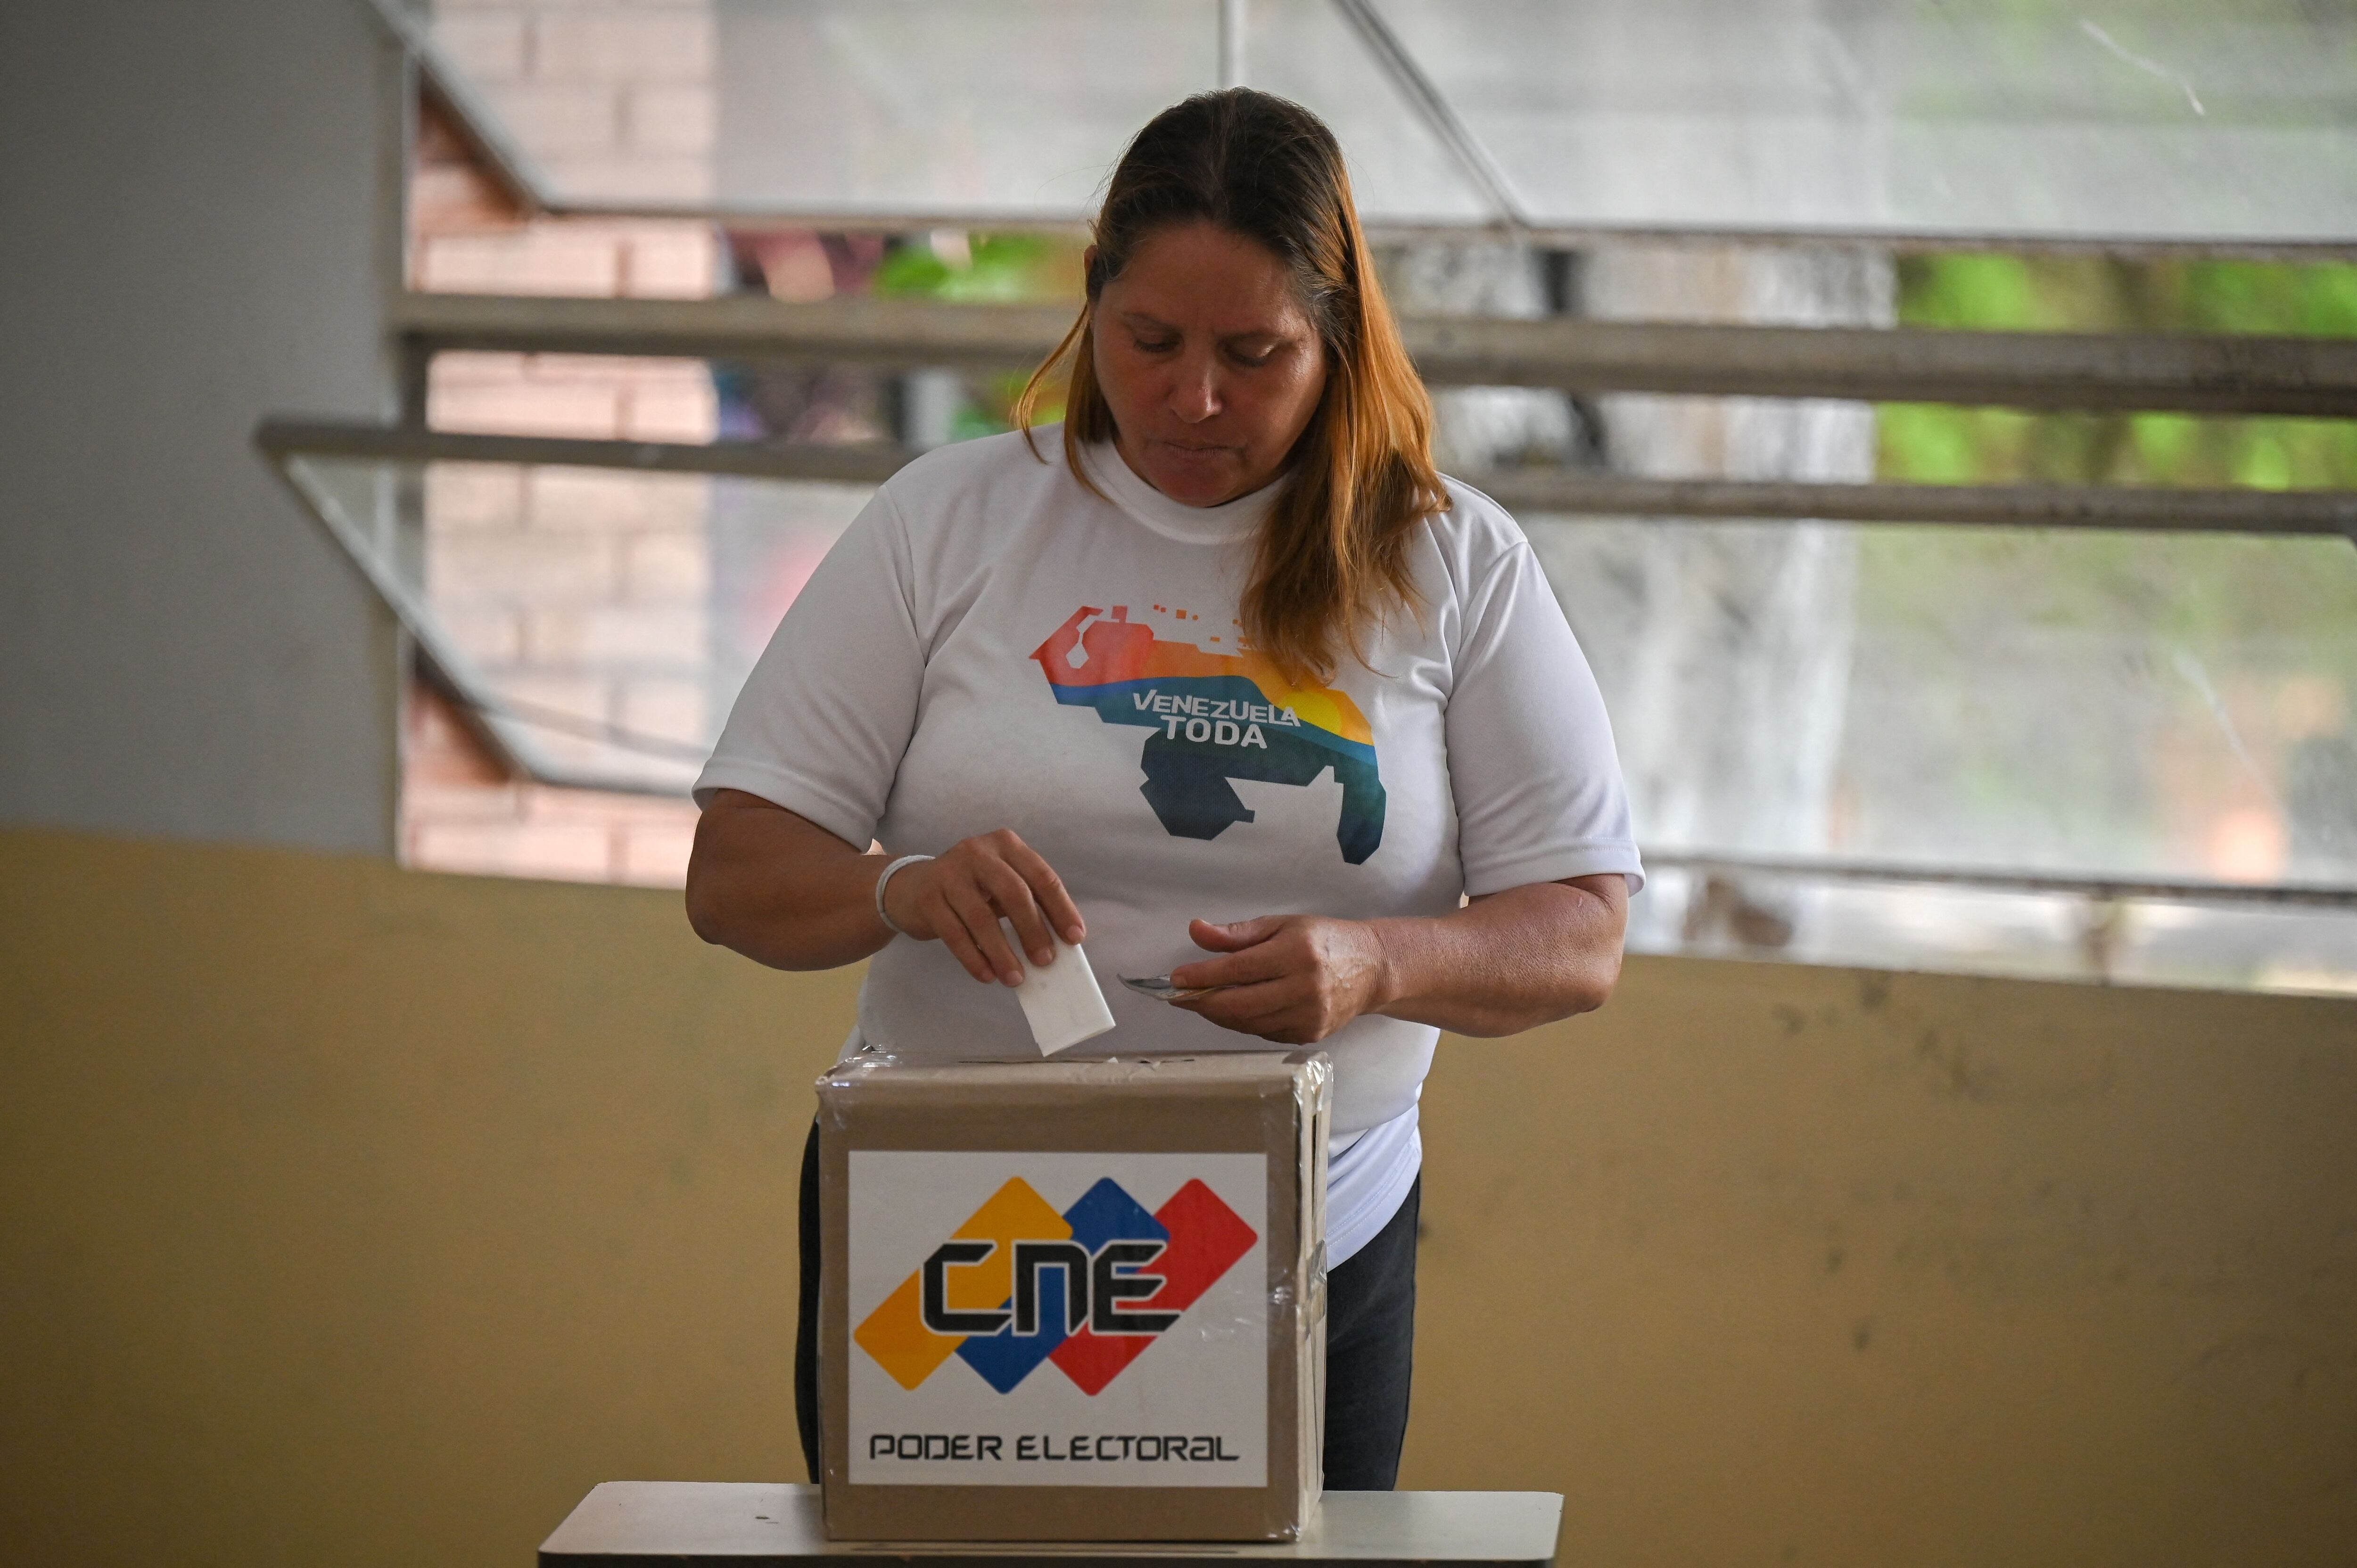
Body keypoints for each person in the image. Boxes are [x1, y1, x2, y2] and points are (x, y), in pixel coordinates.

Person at [684, 88, 1641, 1492]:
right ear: (1092, 309)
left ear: (1338, 340)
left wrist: (1382, 962)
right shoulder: (946, 523)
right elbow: (736, 874)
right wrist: (899, 884)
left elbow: (1582, 932)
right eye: (1151, 342)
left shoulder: (1450, 565)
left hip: (1301, 1229)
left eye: (1255, 354)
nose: (1195, 396)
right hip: (961, 1227)